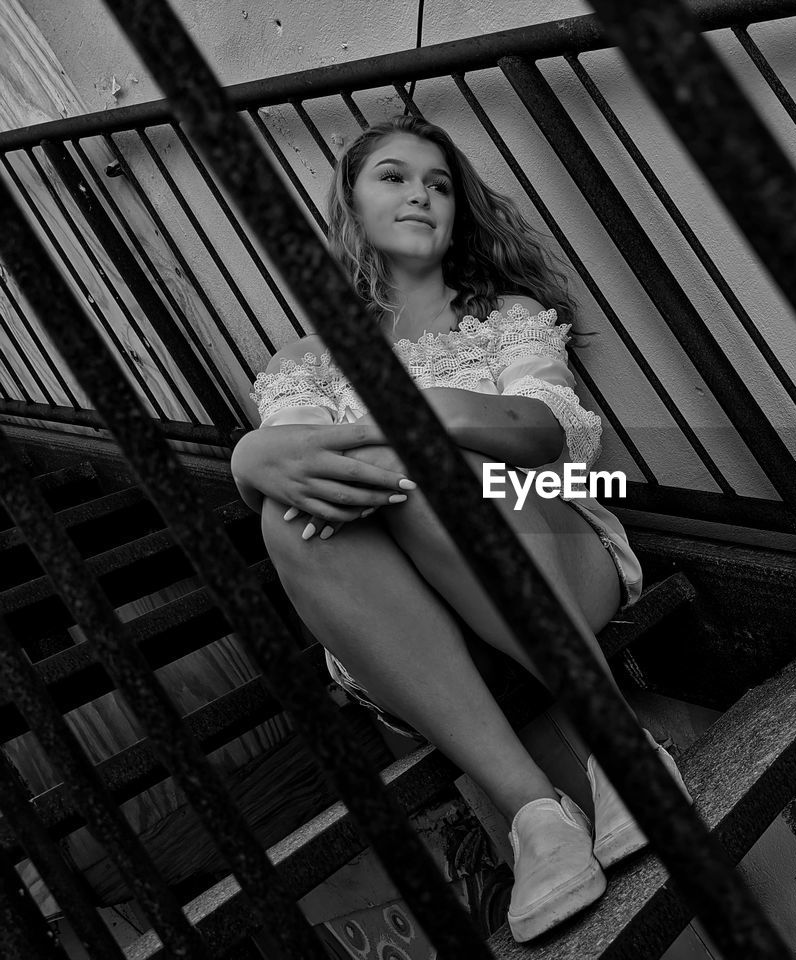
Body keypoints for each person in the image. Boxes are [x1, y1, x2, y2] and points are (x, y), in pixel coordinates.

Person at [229, 115, 686, 942]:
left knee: (432, 463)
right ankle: (534, 817)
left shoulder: (502, 318)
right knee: (293, 524)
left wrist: (434, 413)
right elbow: (290, 449)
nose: (420, 195)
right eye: (394, 178)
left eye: (438, 184)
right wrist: (252, 457)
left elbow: (548, 435)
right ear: (351, 207)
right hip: (407, 627)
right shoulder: (306, 359)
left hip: (547, 553)